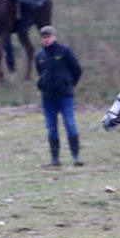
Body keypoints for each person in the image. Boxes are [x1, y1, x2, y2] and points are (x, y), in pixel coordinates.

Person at [34, 26, 83, 167]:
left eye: (48, 36)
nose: (46, 39)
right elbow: (40, 72)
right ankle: (55, 158)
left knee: (69, 124)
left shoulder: (65, 51)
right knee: (51, 127)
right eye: (43, 37)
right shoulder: (40, 56)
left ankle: (76, 156)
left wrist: (69, 84)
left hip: (65, 96)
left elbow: (77, 69)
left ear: (54, 37)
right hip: (48, 97)